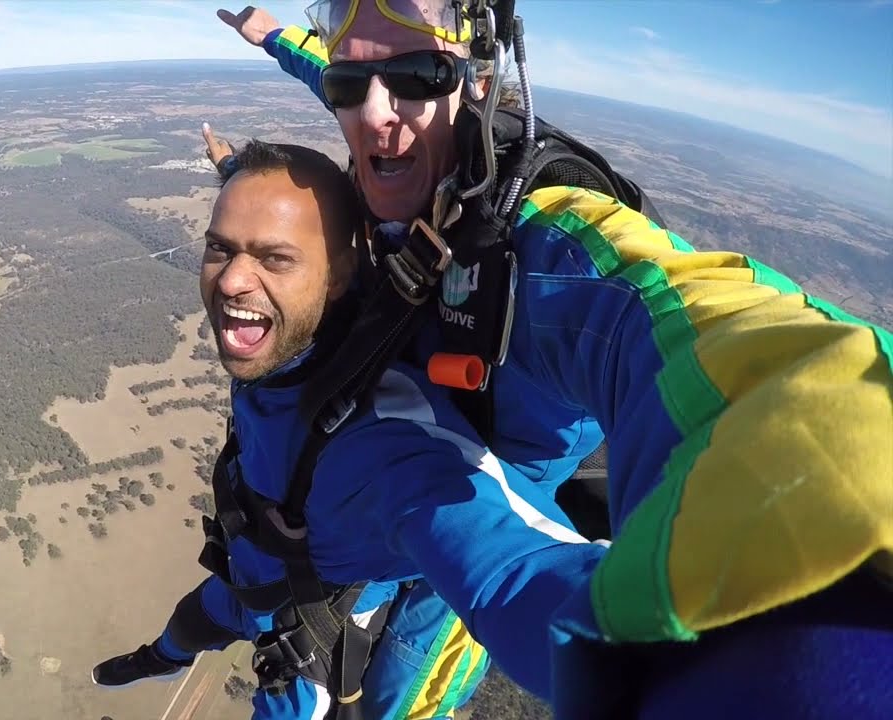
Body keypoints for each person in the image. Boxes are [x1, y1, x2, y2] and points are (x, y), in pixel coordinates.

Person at [196, 2, 893, 719]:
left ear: (475, 76)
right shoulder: (398, 127)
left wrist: (831, 574)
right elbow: (339, 70)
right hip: (376, 490)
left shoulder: (545, 240)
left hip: (471, 534)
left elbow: (704, 326)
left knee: (393, 703)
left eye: (417, 72)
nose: (375, 113)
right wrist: (272, 35)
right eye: (352, 83)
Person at [92, 140, 607, 719]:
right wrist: (240, 161)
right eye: (220, 247)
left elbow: (517, 568)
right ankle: (157, 657)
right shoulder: (291, 338)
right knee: (189, 626)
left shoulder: (383, 443)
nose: (234, 279)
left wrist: (678, 663)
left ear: (338, 274)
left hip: (315, 627)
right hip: (252, 575)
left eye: (274, 257)